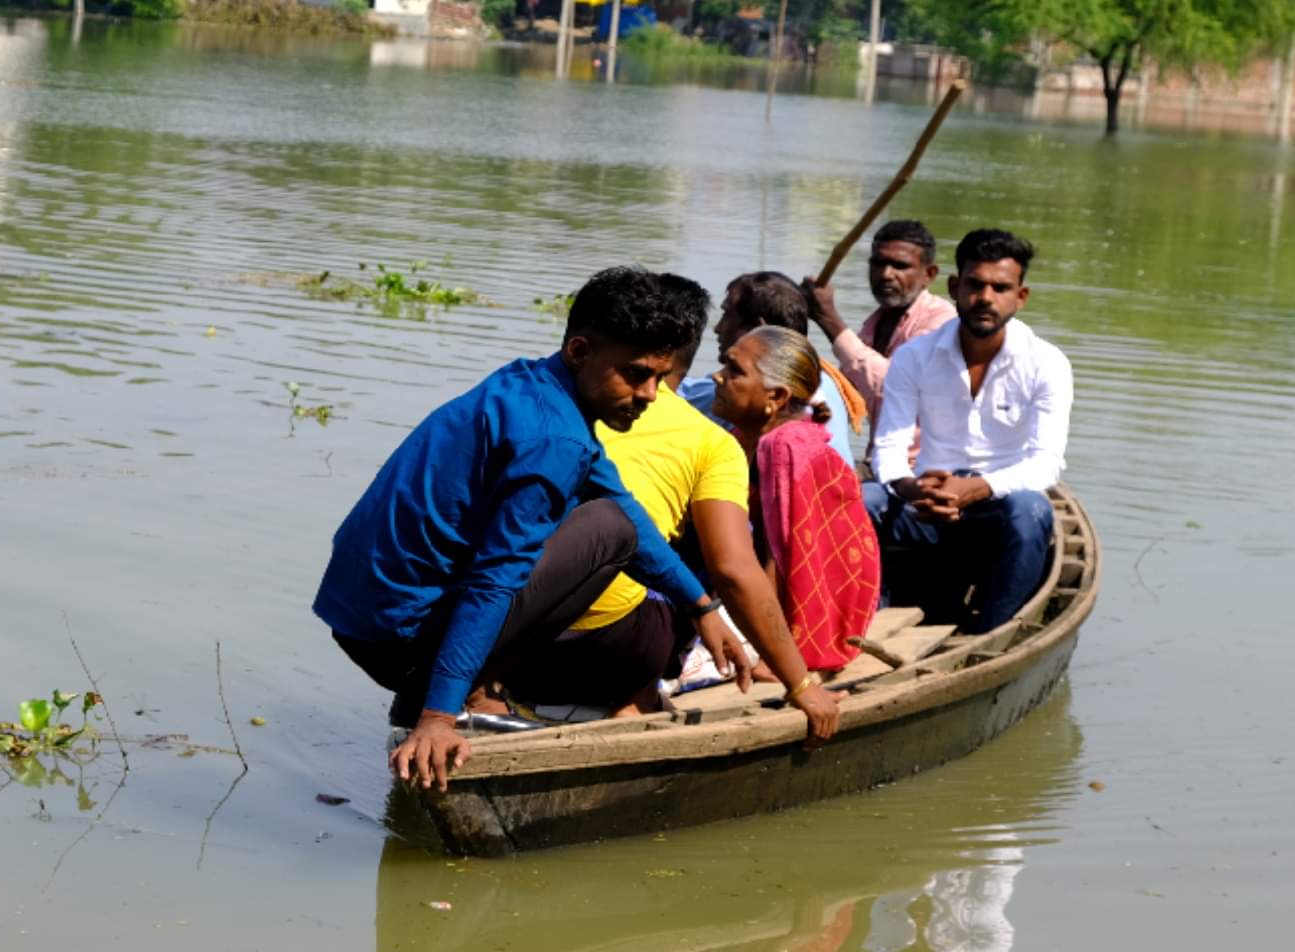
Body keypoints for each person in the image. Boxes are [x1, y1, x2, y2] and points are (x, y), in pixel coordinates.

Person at [313, 267, 763, 792]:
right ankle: (446, 697)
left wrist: (700, 605)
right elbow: (495, 579)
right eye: (635, 374)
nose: (649, 395)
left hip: (358, 621)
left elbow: (624, 506)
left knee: (615, 517)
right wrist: (437, 716)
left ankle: (453, 688)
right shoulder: (554, 440)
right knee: (607, 529)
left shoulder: (532, 383)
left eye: (659, 379)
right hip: (396, 638)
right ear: (579, 351)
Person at [501, 278, 846, 742]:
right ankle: (636, 697)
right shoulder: (709, 438)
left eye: (731, 367)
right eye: (723, 363)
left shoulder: (548, 397)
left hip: (505, 634)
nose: (720, 375)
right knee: (671, 569)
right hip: (604, 645)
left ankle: (491, 689)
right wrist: (800, 682)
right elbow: (734, 571)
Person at [864, 228, 1071, 633]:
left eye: (1000, 287)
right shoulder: (915, 357)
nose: (986, 298)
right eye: (975, 285)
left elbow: (1046, 464)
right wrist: (912, 488)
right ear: (956, 287)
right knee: (860, 500)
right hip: (926, 503)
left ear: (1020, 296)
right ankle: (869, 621)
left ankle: (992, 637)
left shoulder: (1047, 363)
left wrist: (975, 489)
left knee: (1031, 510)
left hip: (997, 507)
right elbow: (889, 446)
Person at [711, 326, 879, 674]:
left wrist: (774, 655)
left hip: (808, 610)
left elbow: (783, 551)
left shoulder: (782, 446)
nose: (718, 376)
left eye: (734, 371)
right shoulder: (751, 435)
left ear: (776, 397)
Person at [681, 271, 867, 462]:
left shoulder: (747, 392)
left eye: (727, 315)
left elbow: (675, 396)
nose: (718, 328)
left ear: (759, 328)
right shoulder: (821, 379)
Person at [803, 221, 958, 431]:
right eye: (878, 263)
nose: (886, 274)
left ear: (928, 275)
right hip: (880, 456)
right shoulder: (875, 324)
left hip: (926, 461)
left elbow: (895, 390)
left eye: (900, 266)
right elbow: (849, 400)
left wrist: (831, 322)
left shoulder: (942, 322)